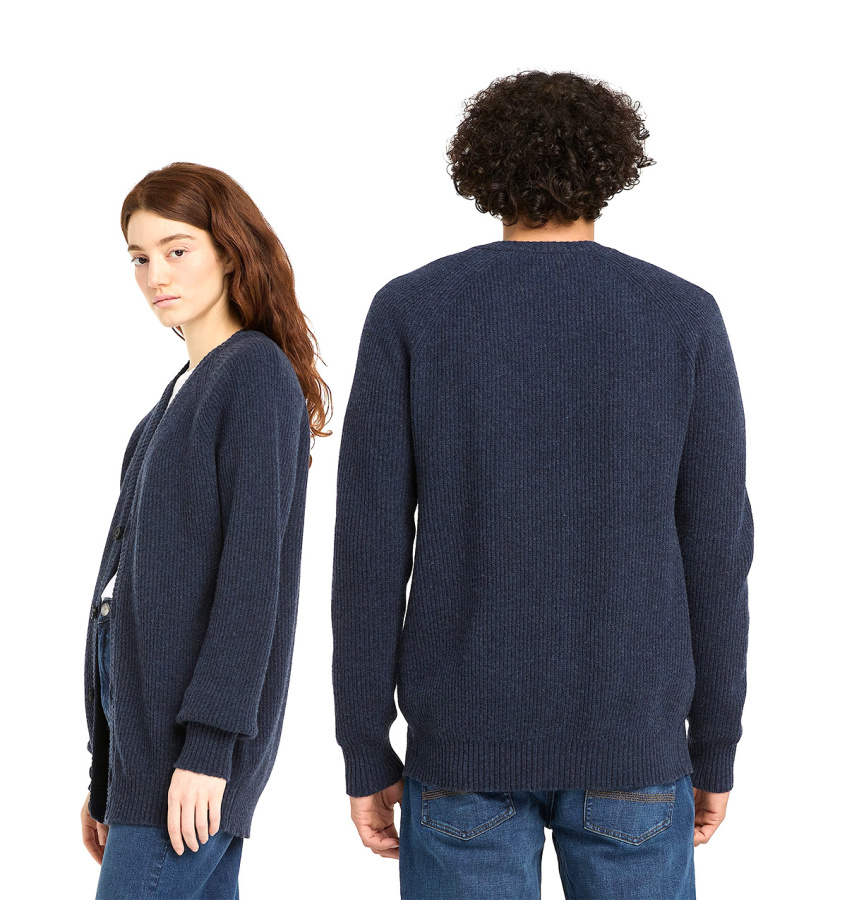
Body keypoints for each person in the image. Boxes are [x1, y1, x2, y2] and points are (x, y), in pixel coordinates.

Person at [331, 70, 754, 899]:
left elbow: (369, 554)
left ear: (481, 168)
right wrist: (714, 746)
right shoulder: (681, 315)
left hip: (461, 744)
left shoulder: (412, 310)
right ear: (611, 168)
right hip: (632, 744)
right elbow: (716, 554)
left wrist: (364, 748)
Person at [80, 161, 330, 898]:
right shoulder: (174, 398)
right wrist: (106, 777)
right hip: (148, 755)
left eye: (177, 249)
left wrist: (209, 751)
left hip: (186, 757)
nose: (155, 274)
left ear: (228, 250)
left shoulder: (251, 375)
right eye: (139, 257)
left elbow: (251, 583)